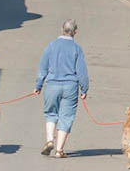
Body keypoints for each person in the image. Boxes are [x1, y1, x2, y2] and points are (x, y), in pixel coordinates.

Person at [34, 19, 89, 158]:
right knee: (66, 117)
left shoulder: (51, 46)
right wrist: (84, 89)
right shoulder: (76, 49)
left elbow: (42, 67)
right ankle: (59, 150)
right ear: (75, 32)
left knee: (51, 113)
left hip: (52, 85)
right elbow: (82, 72)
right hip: (70, 86)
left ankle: (49, 141)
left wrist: (38, 85)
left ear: (62, 29)